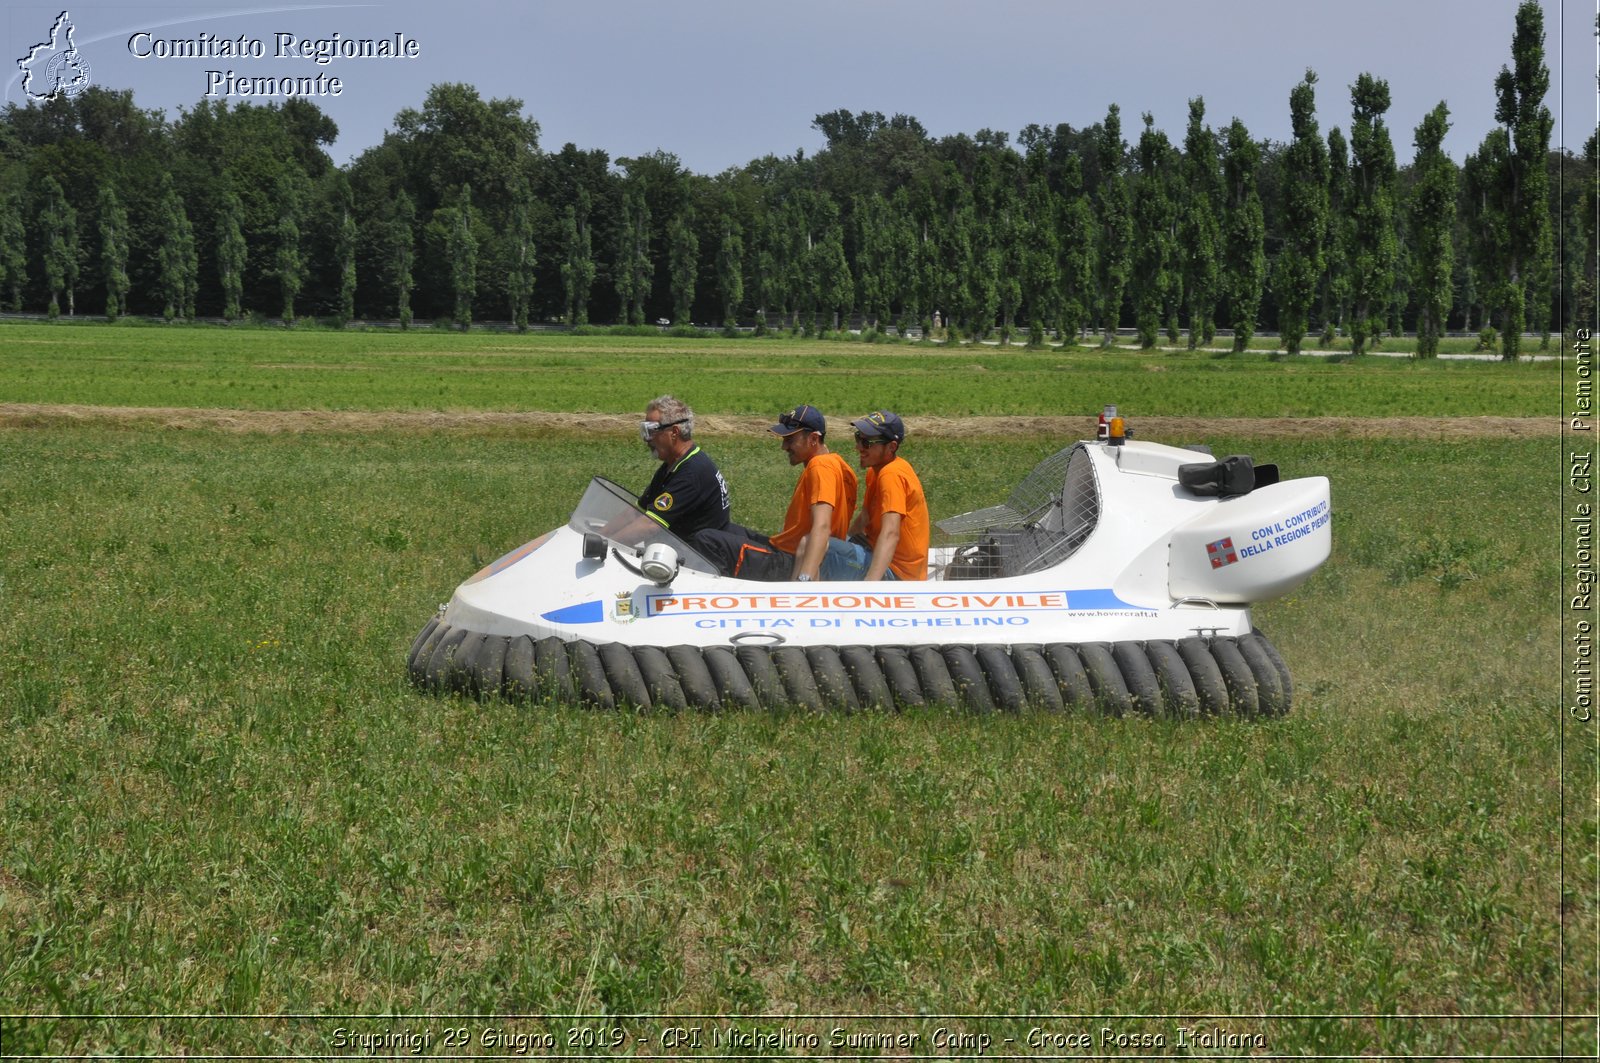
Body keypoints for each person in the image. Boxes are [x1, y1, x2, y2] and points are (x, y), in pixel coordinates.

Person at [692, 404, 857, 581]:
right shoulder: (841, 466)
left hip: (788, 562)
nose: (784, 446)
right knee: (721, 526)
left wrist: (804, 580)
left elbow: (822, 526)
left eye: (790, 439)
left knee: (707, 540)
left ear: (813, 439)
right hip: (789, 550)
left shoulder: (820, 466)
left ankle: (721, 597)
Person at [815, 410, 929, 581]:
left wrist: (871, 588)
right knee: (819, 542)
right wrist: (845, 541)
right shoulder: (876, 472)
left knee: (814, 546)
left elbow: (891, 533)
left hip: (898, 575)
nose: (859, 447)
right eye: (858, 438)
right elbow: (865, 517)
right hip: (880, 556)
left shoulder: (891, 475)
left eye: (867, 442)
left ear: (891, 447)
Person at [635, 394, 731, 538]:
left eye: (652, 431)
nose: (647, 439)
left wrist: (605, 543)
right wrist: (601, 535)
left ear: (674, 432)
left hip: (699, 556)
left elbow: (650, 526)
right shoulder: (673, 465)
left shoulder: (691, 474)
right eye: (645, 431)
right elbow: (635, 513)